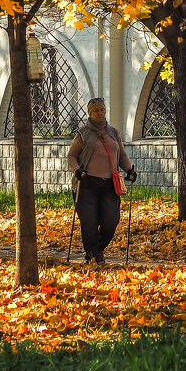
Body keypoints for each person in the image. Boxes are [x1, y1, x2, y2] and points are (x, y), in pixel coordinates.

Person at [67, 97, 137, 264]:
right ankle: (93, 255)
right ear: (90, 113)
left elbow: (122, 155)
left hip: (110, 185)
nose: (99, 112)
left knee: (110, 222)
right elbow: (72, 156)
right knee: (89, 222)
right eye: (96, 110)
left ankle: (95, 249)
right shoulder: (83, 133)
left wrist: (129, 170)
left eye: (102, 109)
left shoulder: (113, 133)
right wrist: (77, 170)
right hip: (87, 183)